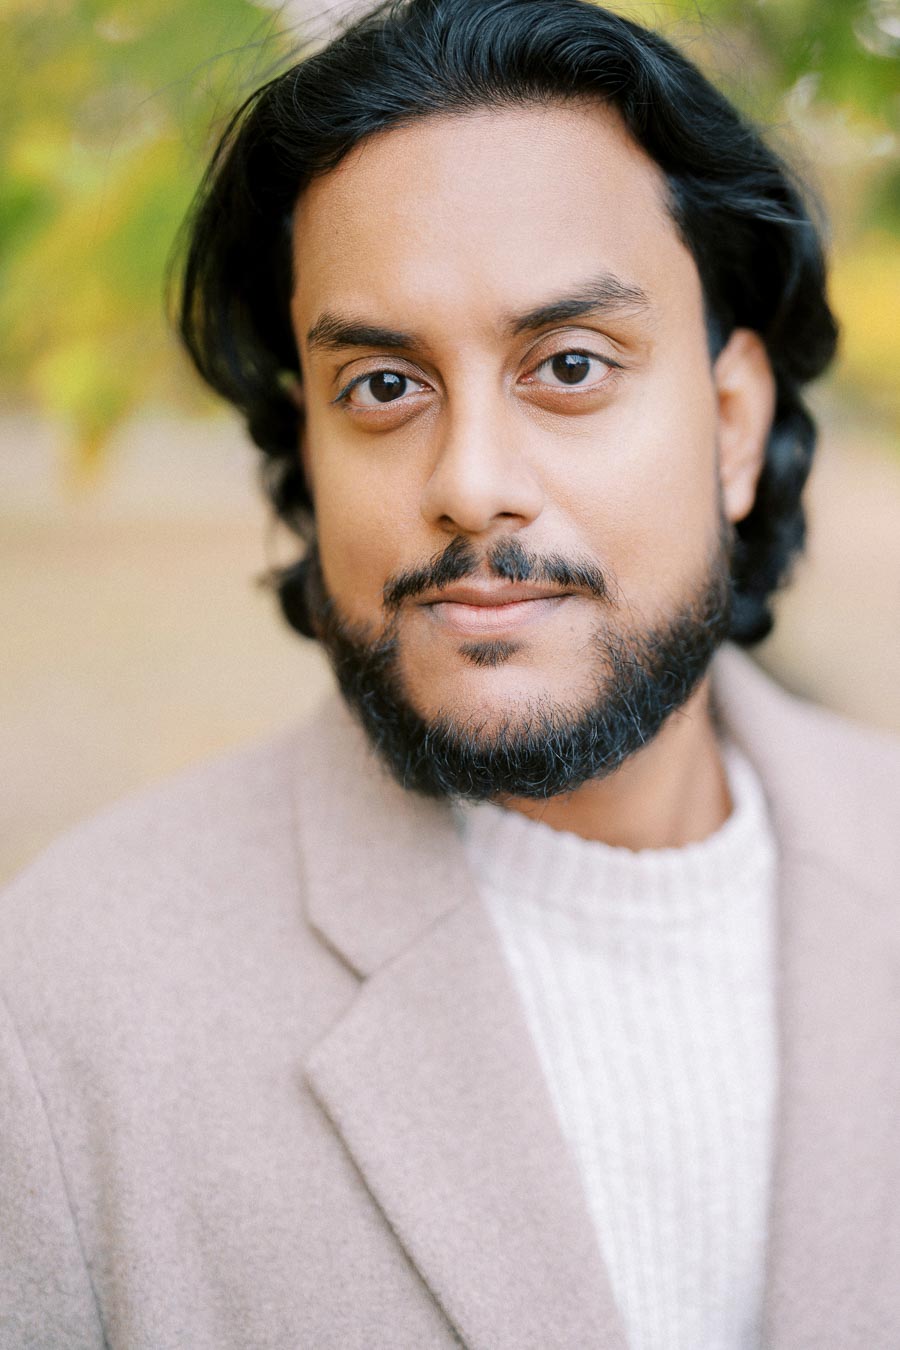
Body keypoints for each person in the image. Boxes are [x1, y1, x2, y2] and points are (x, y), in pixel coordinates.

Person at [1, 0, 897, 1346]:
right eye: (381, 386)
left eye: (572, 367)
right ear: (304, 443)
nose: (471, 482)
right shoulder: (64, 1008)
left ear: (728, 419)